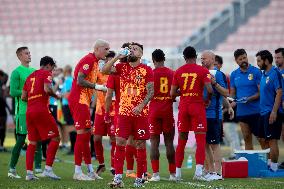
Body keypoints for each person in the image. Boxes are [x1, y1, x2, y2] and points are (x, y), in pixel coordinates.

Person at [102, 42, 154, 188]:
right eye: (130, 49)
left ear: (141, 54)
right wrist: (118, 56)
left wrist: (141, 105)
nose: (131, 51)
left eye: (135, 49)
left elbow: (151, 91)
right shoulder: (120, 67)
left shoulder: (146, 70)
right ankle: (118, 178)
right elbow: (104, 70)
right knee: (119, 142)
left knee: (140, 144)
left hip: (141, 113)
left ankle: (140, 178)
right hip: (124, 112)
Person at [68, 39, 110, 180]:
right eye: (106, 49)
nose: (107, 51)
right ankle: (77, 172)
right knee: (82, 134)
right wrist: (97, 87)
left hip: (84, 100)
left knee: (86, 134)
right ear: (97, 49)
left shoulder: (96, 61)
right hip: (79, 99)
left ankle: (90, 170)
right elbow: (80, 80)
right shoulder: (89, 60)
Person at [170, 46, 213, 181]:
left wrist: (183, 92)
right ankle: (198, 173)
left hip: (184, 107)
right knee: (200, 141)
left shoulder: (178, 71)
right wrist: (207, 100)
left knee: (182, 140)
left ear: (184, 58)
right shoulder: (203, 70)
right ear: (196, 56)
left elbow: (172, 93)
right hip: (197, 106)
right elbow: (210, 90)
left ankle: (177, 174)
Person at [22, 56, 61, 180]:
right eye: (52, 67)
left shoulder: (29, 77)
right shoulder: (46, 73)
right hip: (41, 110)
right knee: (56, 137)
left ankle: (29, 174)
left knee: (32, 142)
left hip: (29, 111)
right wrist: (56, 96)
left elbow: (23, 97)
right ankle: (48, 169)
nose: (52, 71)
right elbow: (47, 89)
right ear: (48, 65)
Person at [8, 47, 42, 179]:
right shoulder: (16, 72)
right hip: (22, 111)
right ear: (20, 56)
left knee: (37, 139)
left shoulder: (34, 71)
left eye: (29, 53)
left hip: (35, 110)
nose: (29, 55)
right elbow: (12, 91)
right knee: (21, 140)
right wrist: (27, 94)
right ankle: (12, 169)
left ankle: (38, 168)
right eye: (26, 53)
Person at [147, 49, 176, 182]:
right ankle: (172, 174)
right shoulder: (172, 73)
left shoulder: (150, 74)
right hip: (167, 110)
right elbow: (176, 91)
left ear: (153, 60)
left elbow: (146, 93)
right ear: (164, 59)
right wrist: (172, 96)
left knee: (154, 142)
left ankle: (156, 174)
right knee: (169, 142)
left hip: (153, 111)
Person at [201, 51, 228, 180]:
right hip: (201, 114)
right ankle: (211, 171)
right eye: (201, 58)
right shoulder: (200, 72)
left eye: (204, 58)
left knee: (215, 144)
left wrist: (215, 83)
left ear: (212, 59)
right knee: (205, 143)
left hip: (213, 114)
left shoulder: (218, 74)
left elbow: (226, 93)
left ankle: (218, 172)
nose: (202, 60)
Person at [230, 49, 265, 150]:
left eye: (244, 57)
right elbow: (233, 94)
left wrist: (249, 99)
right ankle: (250, 163)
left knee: (261, 139)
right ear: (236, 61)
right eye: (240, 59)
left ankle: (268, 163)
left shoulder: (256, 71)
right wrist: (230, 104)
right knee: (246, 138)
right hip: (241, 112)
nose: (243, 60)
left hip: (256, 111)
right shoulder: (234, 74)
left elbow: (261, 92)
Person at [256, 50, 282, 172]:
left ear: (266, 61)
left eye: (259, 61)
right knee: (261, 138)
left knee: (272, 140)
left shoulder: (274, 73)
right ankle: (269, 162)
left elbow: (279, 92)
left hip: (271, 112)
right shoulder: (263, 74)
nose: (257, 63)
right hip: (263, 112)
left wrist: (274, 111)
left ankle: (274, 168)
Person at [93, 51, 116, 176]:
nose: (111, 63)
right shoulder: (99, 72)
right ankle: (101, 163)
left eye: (113, 61)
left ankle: (113, 166)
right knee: (96, 138)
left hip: (113, 111)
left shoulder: (117, 74)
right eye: (109, 61)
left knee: (113, 139)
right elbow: (90, 83)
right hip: (99, 110)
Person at [215, 55, 240, 159]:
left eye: (216, 64)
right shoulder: (215, 77)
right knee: (227, 134)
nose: (214, 66)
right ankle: (234, 153)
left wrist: (227, 108)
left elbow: (230, 95)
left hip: (229, 109)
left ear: (220, 65)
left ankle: (236, 154)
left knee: (231, 133)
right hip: (222, 109)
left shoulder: (226, 77)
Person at [61, 65, 76, 155]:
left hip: (67, 105)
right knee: (71, 126)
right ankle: (73, 148)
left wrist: (61, 95)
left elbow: (67, 94)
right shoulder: (71, 80)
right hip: (69, 105)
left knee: (70, 127)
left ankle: (73, 148)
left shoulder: (68, 81)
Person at [274, 48, 284, 169]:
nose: (276, 60)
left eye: (279, 57)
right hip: (279, 109)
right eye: (275, 58)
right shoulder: (274, 72)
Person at [0, 70, 9, 152]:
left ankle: (2, 145)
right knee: (2, 128)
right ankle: (1, 145)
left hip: (3, 110)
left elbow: (6, 75)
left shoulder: (3, 86)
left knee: (3, 128)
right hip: (2, 110)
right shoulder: (1, 85)